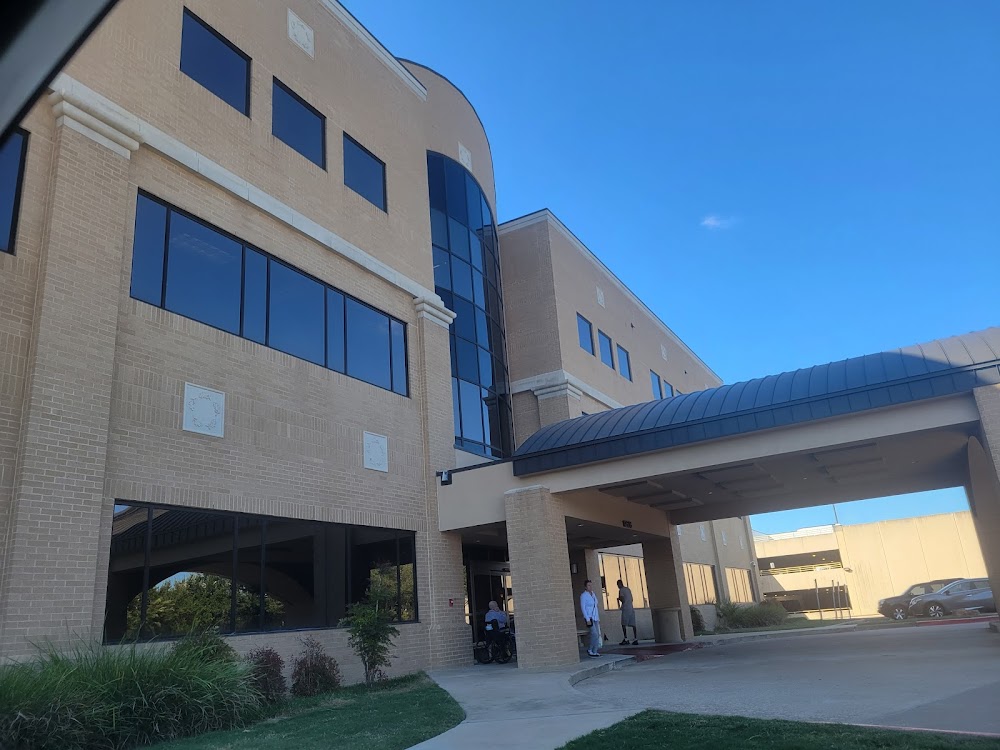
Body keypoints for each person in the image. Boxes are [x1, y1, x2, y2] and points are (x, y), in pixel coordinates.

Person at [580, 579, 601, 657]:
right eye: (588, 585)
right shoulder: (584, 596)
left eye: (591, 585)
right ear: (585, 587)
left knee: (597, 634)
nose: (590, 587)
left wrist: (598, 617)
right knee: (594, 633)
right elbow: (583, 608)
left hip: (595, 617)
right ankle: (590, 649)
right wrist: (587, 619)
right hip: (589, 617)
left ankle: (595, 651)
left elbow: (595, 606)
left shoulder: (593, 594)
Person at [617, 579, 638, 645]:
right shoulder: (628, 589)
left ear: (619, 584)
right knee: (633, 624)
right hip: (631, 607)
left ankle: (626, 638)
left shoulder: (621, 590)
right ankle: (635, 638)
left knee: (623, 624)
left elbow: (623, 600)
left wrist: (619, 599)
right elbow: (631, 599)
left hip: (625, 608)